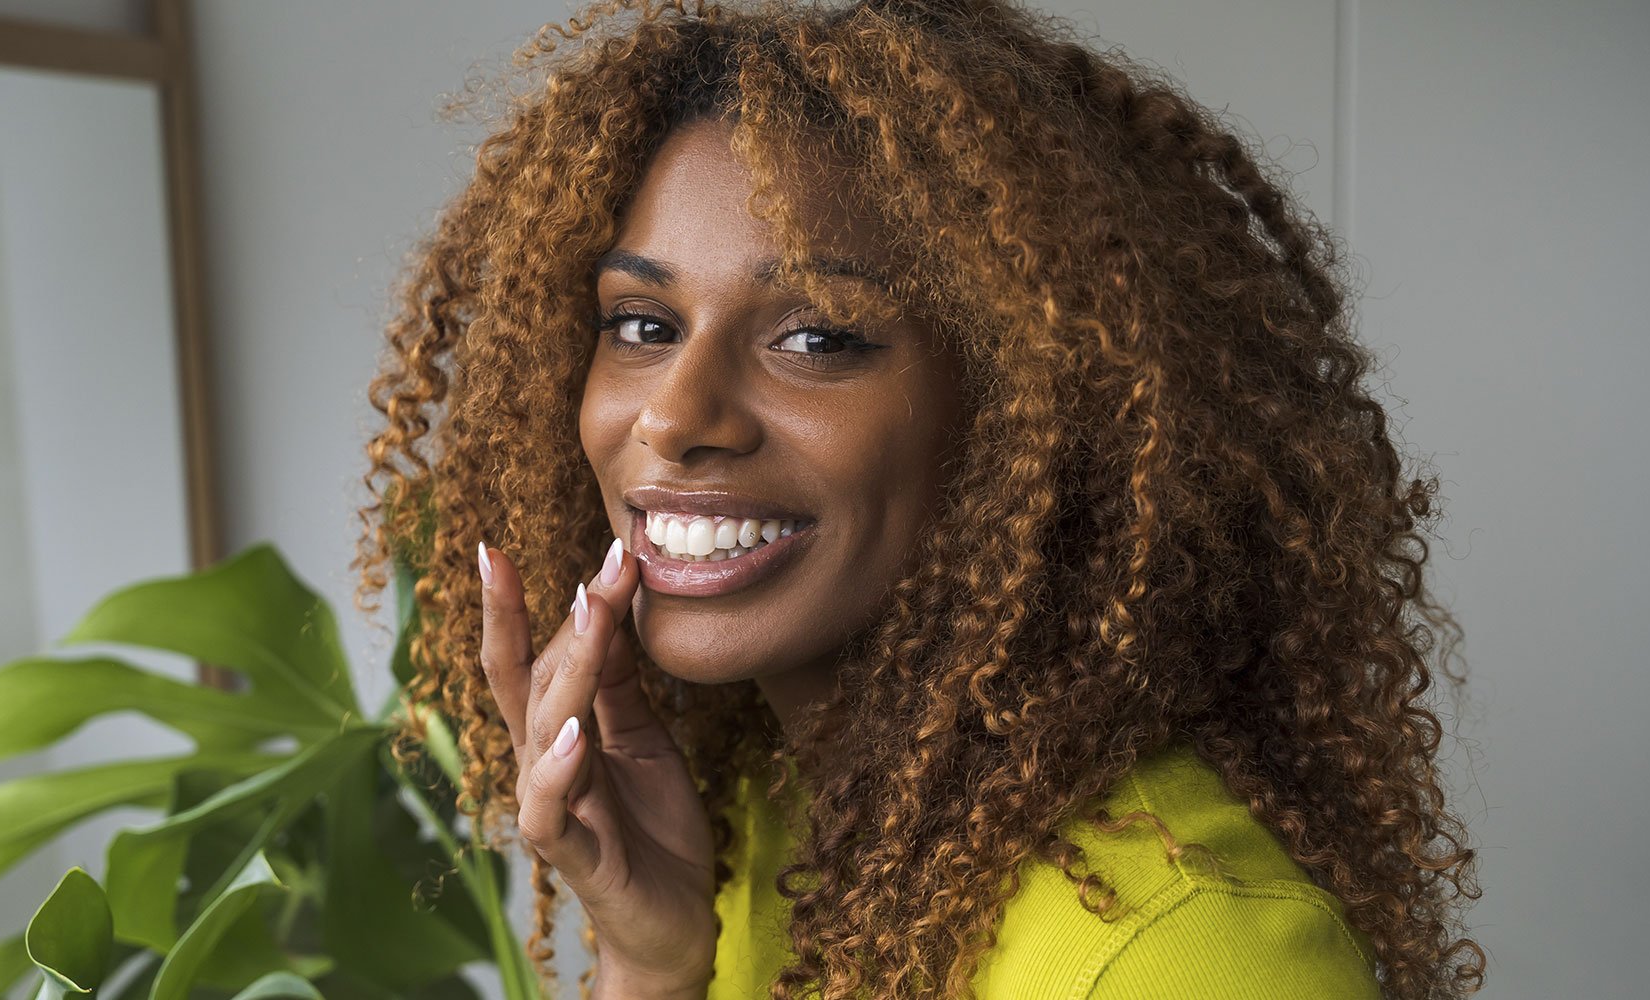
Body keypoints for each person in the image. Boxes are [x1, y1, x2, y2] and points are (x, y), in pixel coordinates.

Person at [355, 1, 1487, 997]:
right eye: (643, 326)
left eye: (818, 337)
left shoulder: (1181, 953)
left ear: (1027, 412)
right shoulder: (772, 826)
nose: (674, 416)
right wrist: (651, 965)